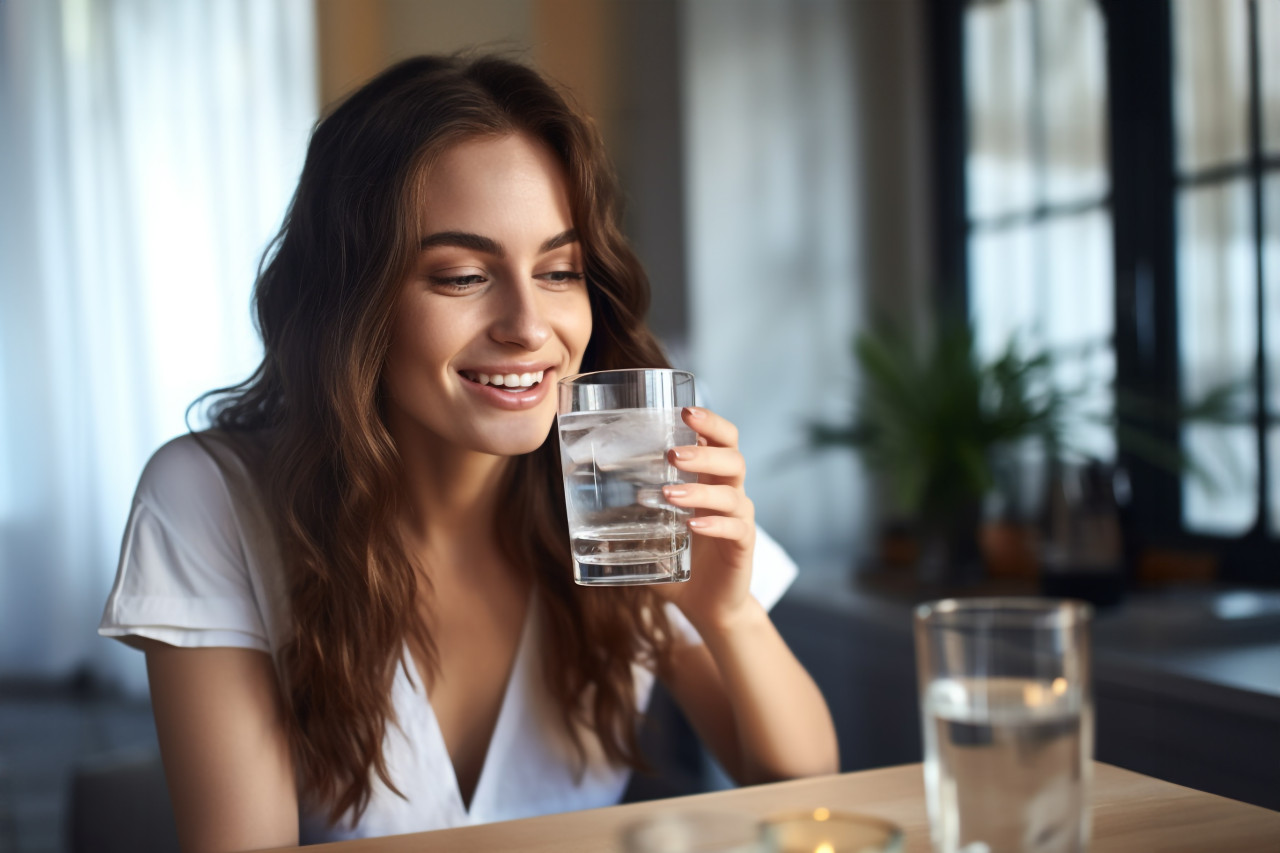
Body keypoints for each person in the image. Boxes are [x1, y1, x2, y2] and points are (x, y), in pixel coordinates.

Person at [99, 54, 837, 852]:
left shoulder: (628, 478)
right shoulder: (211, 499)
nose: (528, 323)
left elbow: (805, 799)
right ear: (353, 299)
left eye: (559, 271)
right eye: (460, 276)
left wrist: (727, 614)